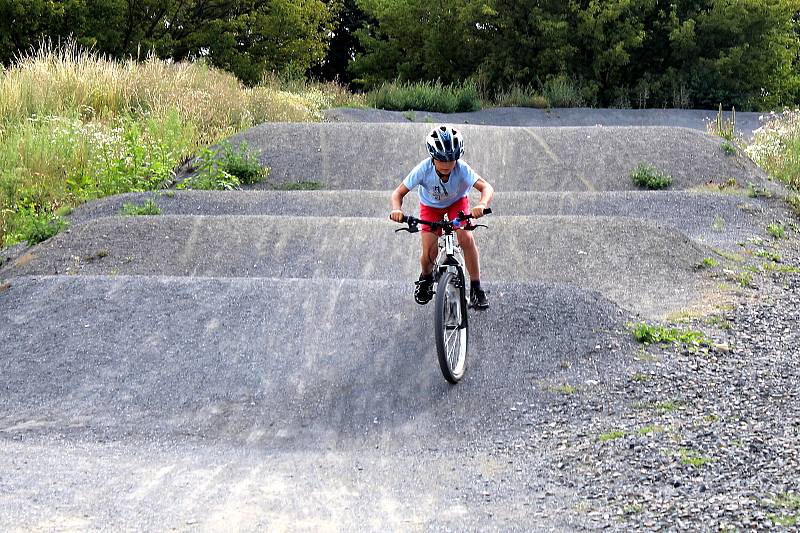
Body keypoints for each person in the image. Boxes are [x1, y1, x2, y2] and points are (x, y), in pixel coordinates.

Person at [390, 125, 494, 309]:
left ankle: (476, 287)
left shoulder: (461, 169)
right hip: (430, 207)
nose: (446, 165)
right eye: (441, 160)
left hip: (457, 204)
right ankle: (426, 278)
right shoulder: (423, 169)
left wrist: (481, 205)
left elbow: (487, 188)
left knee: (466, 238)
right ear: (432, 157)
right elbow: (397, 194)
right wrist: (396, 209)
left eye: (451, 160)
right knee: (430, 252)